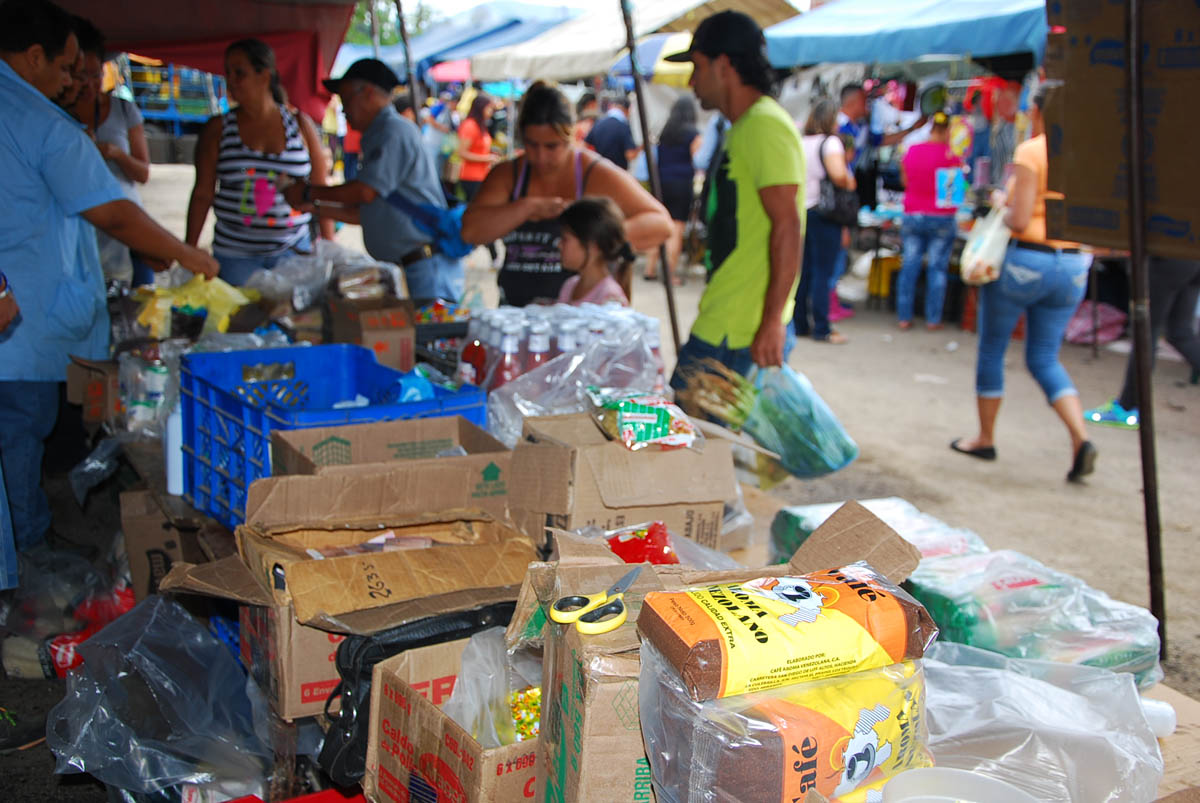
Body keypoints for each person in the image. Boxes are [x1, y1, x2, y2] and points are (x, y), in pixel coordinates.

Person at [1, 0, 218, 555]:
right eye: (67, 67)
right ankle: (29, 565)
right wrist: (190, 256)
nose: (73, 80)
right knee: (19, 441)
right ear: (33, 58)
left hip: (25, 320)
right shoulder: (38, 122)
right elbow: (113, 213)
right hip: (20, 329)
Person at [951, 84, 1096, 483]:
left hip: (1025, 261)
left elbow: (1017, 221)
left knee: (993, 349)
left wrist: (1002, 201)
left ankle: (984, 437)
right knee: (1045, 357)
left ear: (1037, 112)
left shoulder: (1033, 150)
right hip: (1072, 266)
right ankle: (1080, 438)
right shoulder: (1089, 154)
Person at [664, 10, 805, 385]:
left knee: (684, 437)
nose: (692, 81)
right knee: (700, 438)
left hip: (739, 329)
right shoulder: (744, 126)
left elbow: (788, 225)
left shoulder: (763, 125)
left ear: (724, 65)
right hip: (730, 316)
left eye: (697, 66)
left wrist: (772, 322)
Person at [460, 82, 671, 307]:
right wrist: (526, 208)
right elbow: (470, 232)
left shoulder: (594, 173)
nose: (540, 157)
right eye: (532, 145)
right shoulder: (508, 174)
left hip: (576, 319)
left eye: (552, 146)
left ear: (570, 136)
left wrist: (595, 237)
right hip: (515, 315)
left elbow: (660, 225)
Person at [284, 59, 464, 301]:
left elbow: (365, 192)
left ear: (368, 93)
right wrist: (316, 208)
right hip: (408, 268)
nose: (344, 109)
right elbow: (368, 214)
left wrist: (309, 193)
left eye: (346, 99)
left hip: (423, 271)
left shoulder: (392, 131)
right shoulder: (378, 134)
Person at [187, 38, 332, 286]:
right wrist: (187, 251)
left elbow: (319, 190)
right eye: (228, 73)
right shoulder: (218, 129)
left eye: (239, 73)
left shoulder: (299, 124)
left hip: (294, 251)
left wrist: (329, 247)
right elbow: (203, 193)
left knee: (295, 321)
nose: (231, 80)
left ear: (265, 75)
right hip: (235, 258)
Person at [68, 18, 155, 285]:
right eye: (81, 77)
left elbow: (142, 173)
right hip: (82, 233)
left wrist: (116, 153)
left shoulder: (124, 110)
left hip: (125, 225)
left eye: (96, 75)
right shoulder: (53, 118)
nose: (89, 85)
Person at [1084, 258, 1200, 430]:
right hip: (1191, 257)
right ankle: (1128, 406)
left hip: (1168, 257)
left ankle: (1127, 407)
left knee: (1144, 329)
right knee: (1179, 333)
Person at [793, 98, 853, 344]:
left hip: (801, 211)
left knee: (804, 271)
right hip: (824, 213)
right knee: (822, 272)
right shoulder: (830, 144)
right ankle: (822, 327)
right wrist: (849, 181)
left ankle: (800, 324)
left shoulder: (800, 141)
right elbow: (839, 175)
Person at [896, 111, 963, 330]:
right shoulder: (951, 156)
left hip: (913, 214)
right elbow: (953, 194)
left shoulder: (912, 151)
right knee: (937, 268)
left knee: (910, 265)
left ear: (932, 127)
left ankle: (904, 317)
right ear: (947, 131)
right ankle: (933, 319)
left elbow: (905, 181)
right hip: (941, 217)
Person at [643, 95, 701, 284]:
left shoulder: (665, 132)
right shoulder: (693, 133)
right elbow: (699, 161)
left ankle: (649, 269)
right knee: (675, 229)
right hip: (681, 184)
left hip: (660, 184)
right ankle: (669, 275)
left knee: (659, 226)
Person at [556, 197, 633, 306]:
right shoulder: (570, 285)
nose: (559, 245)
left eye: (565, 239)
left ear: (592, 245)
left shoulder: (611, 299)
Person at [457, 93, 498, 201]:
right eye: (489, 108)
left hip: (481, 175)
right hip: (471, 176)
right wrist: (486, 158)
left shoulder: (481, 125)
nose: (491, 112)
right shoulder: (470, 125)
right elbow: (462, 152)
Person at [586, 92, 638, 170]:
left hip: (599, 170)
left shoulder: (598, 123)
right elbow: (630, 155)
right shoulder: (623, 127)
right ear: (626, 110)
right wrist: (642, 146)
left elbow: (584, 146)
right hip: (618, 174)